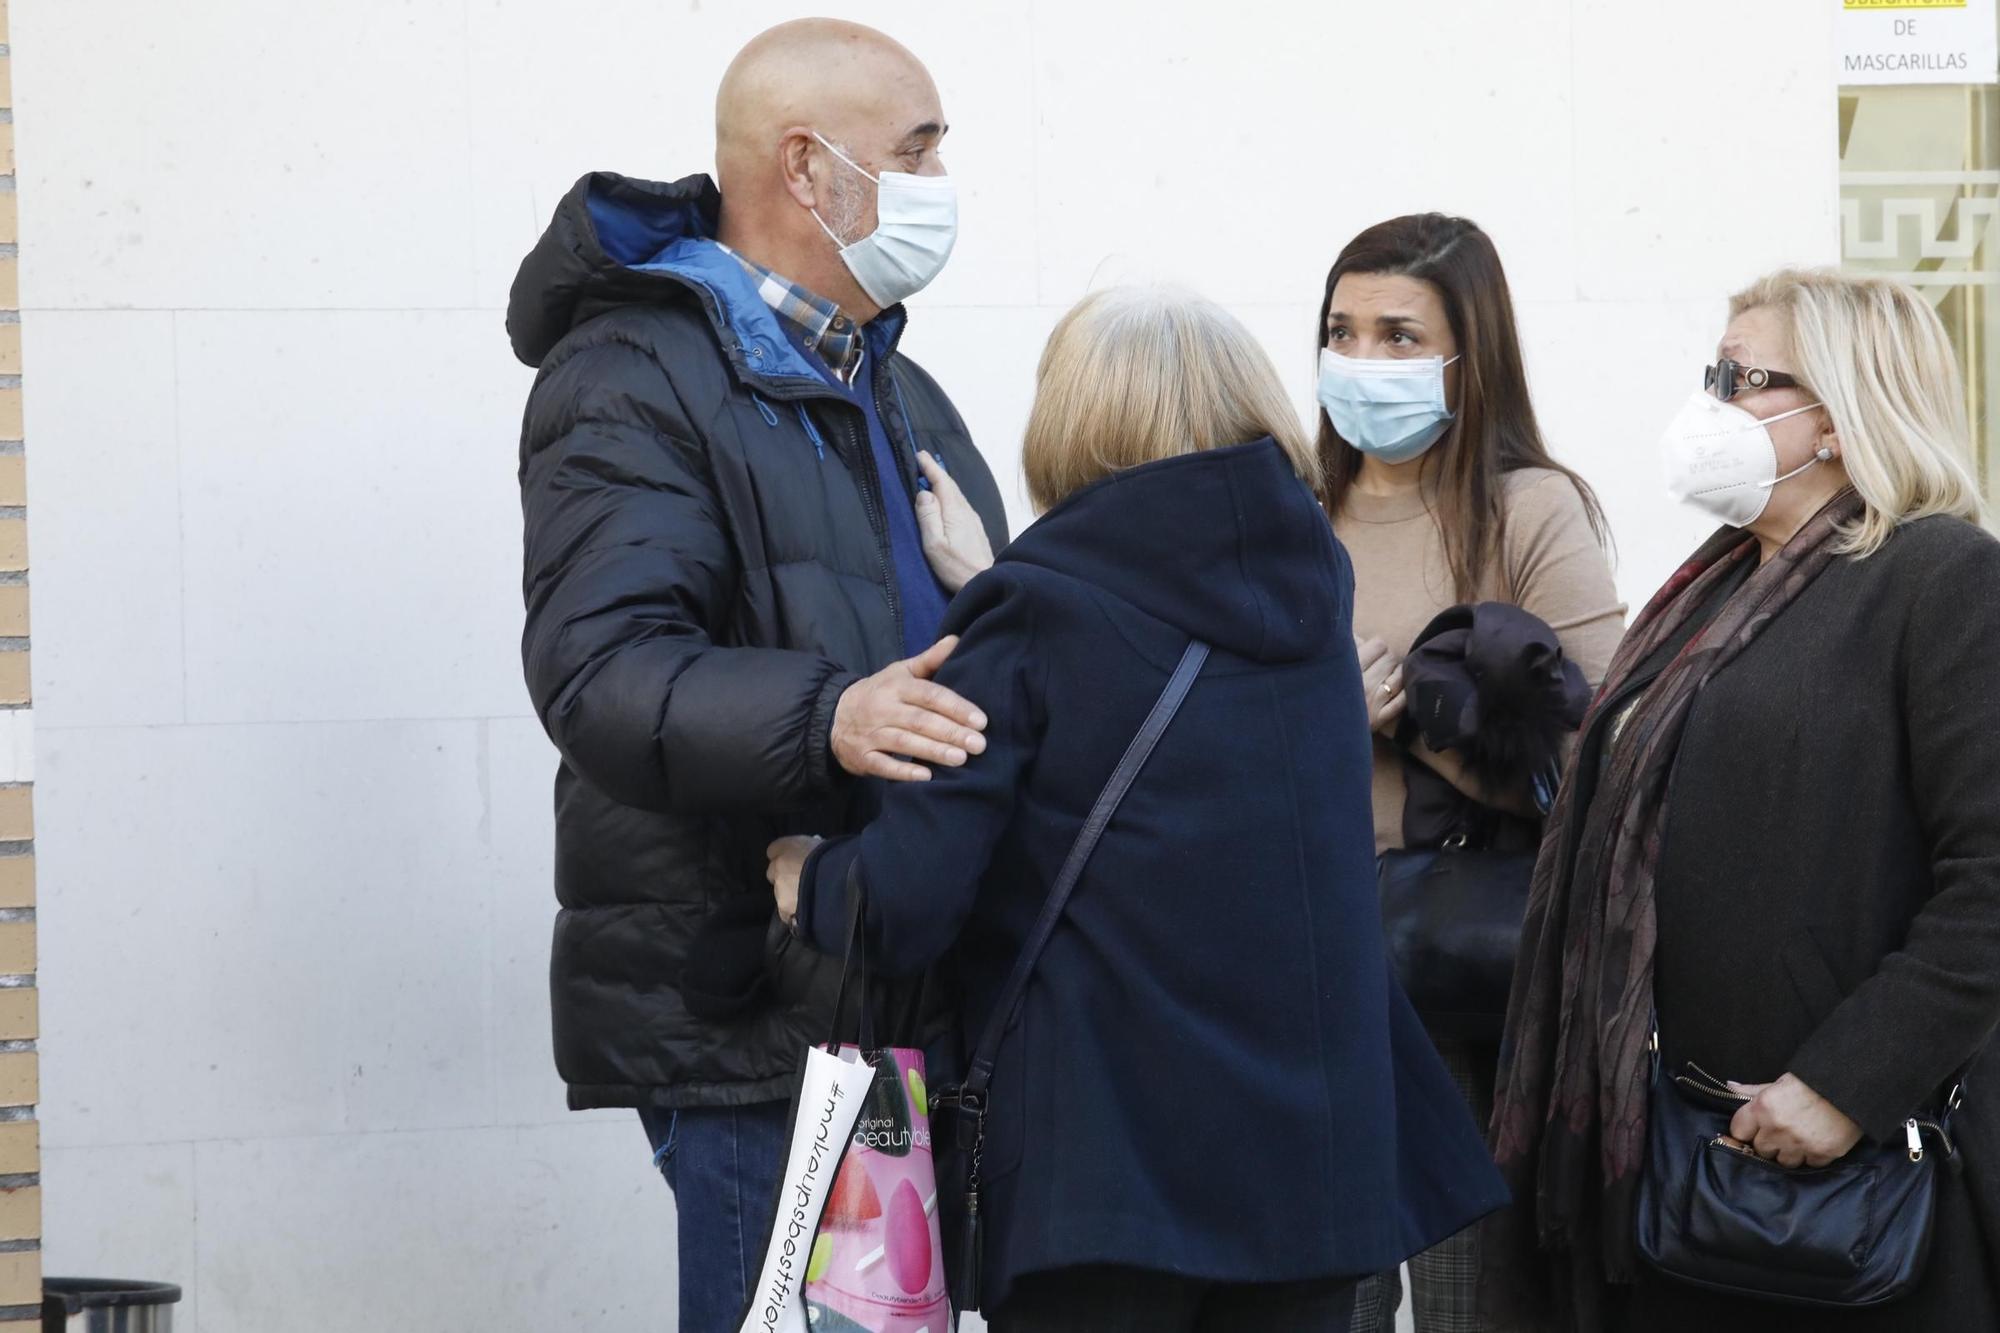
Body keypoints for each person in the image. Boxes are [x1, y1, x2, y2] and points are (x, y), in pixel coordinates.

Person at [765, 286, 1509, 1330]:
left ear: (1079, 421)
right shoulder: (1310, 595)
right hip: (1311, 1174)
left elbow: (907, 901)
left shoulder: (1031, 615)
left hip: (1107, 1185)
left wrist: (807, 875)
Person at [507, 20, 1008, 1331]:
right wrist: (829, 717)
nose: (941, 180)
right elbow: (601, 671)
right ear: (808, 169)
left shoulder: (901, 388)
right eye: (917, 151)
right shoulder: (634, 373)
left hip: (903, 1009)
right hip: (761, 1019)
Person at [1485, 268, 2000, 1331]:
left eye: (1742, 376)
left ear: (1844, 411)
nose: (1709, 401)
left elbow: (1987, 880)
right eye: (1708, 371)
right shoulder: (1713, 587)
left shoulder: (1940, 576)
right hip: (1680, 1152)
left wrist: (1845, 1083)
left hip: (1838, 1178)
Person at [1315, 213, 1624, 1333]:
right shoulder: (1287, 512)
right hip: (1305, 971)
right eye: (1341, 331)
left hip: (1456, 974)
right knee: (1315, 1294)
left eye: (1399, 335)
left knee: (1465, 1303)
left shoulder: (1527, 508)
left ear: (1467, 355)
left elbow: (1603, 756)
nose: (1363, 360)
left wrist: (1411, 717)